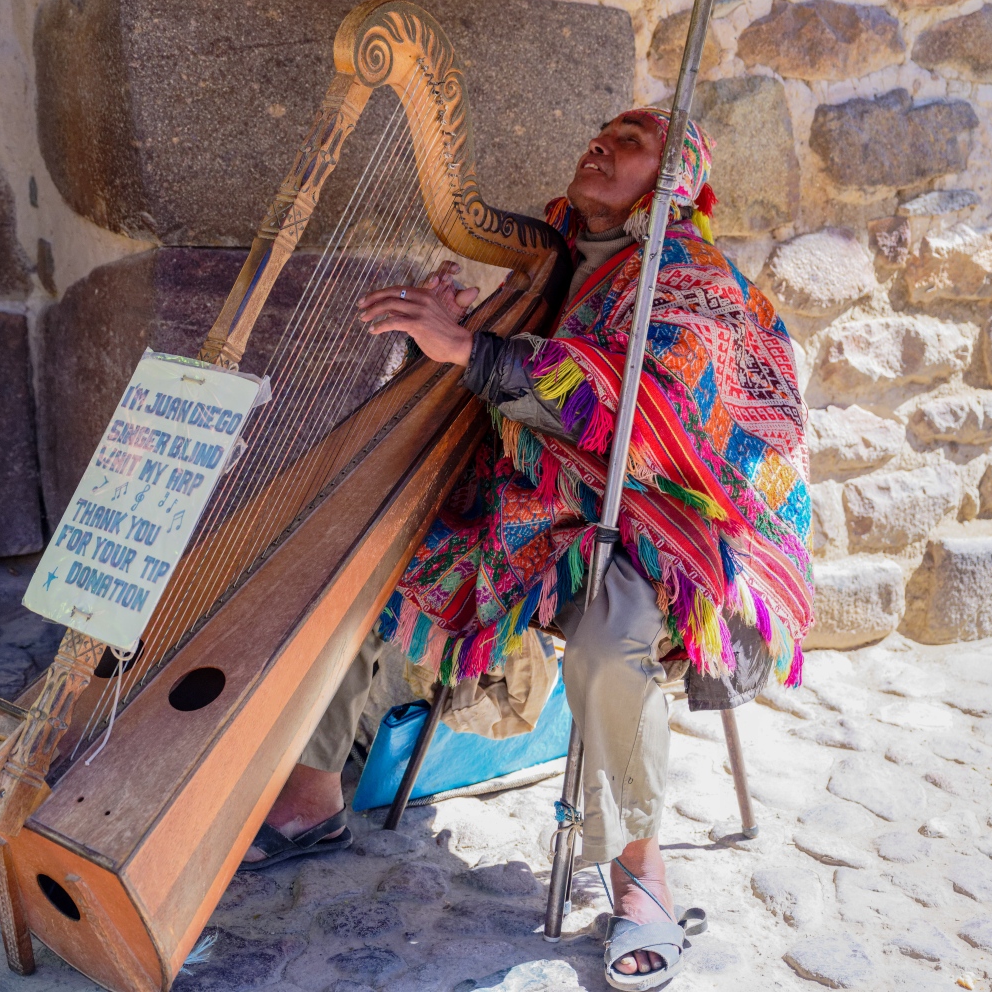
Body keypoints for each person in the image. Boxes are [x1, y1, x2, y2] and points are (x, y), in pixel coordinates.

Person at [242, 110, 814, 989]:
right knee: (377, 553)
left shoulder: (696, 280)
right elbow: (507, 379)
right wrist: (451, 334)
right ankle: (314, 794)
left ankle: (639, 872)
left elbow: (648, 413)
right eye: (603, 130)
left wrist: (473, 350)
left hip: (670, 521)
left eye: (634, 138)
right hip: (543, 506)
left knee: (607, 637)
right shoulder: (551, 262)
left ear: (675, 177)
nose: (605, 142)